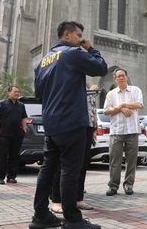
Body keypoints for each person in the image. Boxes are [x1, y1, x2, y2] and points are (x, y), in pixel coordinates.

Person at [30, 21, 107, 229]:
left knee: (48, 168)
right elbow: (101, 67)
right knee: (70, 170)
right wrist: (90, 48)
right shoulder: (73, 53)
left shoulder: (42, 61)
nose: (81, 39)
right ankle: (73, 219)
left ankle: (40, 215)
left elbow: (39, 94)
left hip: (51, 123)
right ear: (67, 35)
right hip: (72, 121)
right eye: (79, 35)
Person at [50, 83, 99, 213]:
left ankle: (78, 198)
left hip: (88, 128)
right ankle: (56, 200)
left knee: (82, 164)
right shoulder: (70, 82)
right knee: (63, 165)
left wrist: (94, 128)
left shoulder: (88, 86)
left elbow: (93, 109)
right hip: (73, 126)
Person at [104, 68, 144, 196]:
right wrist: (120, 109)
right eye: (118, 76)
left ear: (127, 77)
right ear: (114, 79)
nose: (121, 78)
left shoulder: (135, 90)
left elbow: (139, 105)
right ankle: (113, 186)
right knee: (115, 161)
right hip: (116, 131)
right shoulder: (111, 94)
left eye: (123, 76)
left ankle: (128, 185)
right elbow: (106, 111)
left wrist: (123, 105)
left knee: (131, 161)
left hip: (132, 130)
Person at [0, 85, 28, 184]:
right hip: (4, 134)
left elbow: (24, 117)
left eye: (18, 92)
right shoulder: (2, 104)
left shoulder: (21, 105)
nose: (17, 93)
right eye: (15, 91)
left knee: (14, 156)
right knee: (2, 156)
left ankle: (11, 177)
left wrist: (24, 129)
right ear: (9, 93)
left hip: (17, 134)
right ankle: (0, 177)